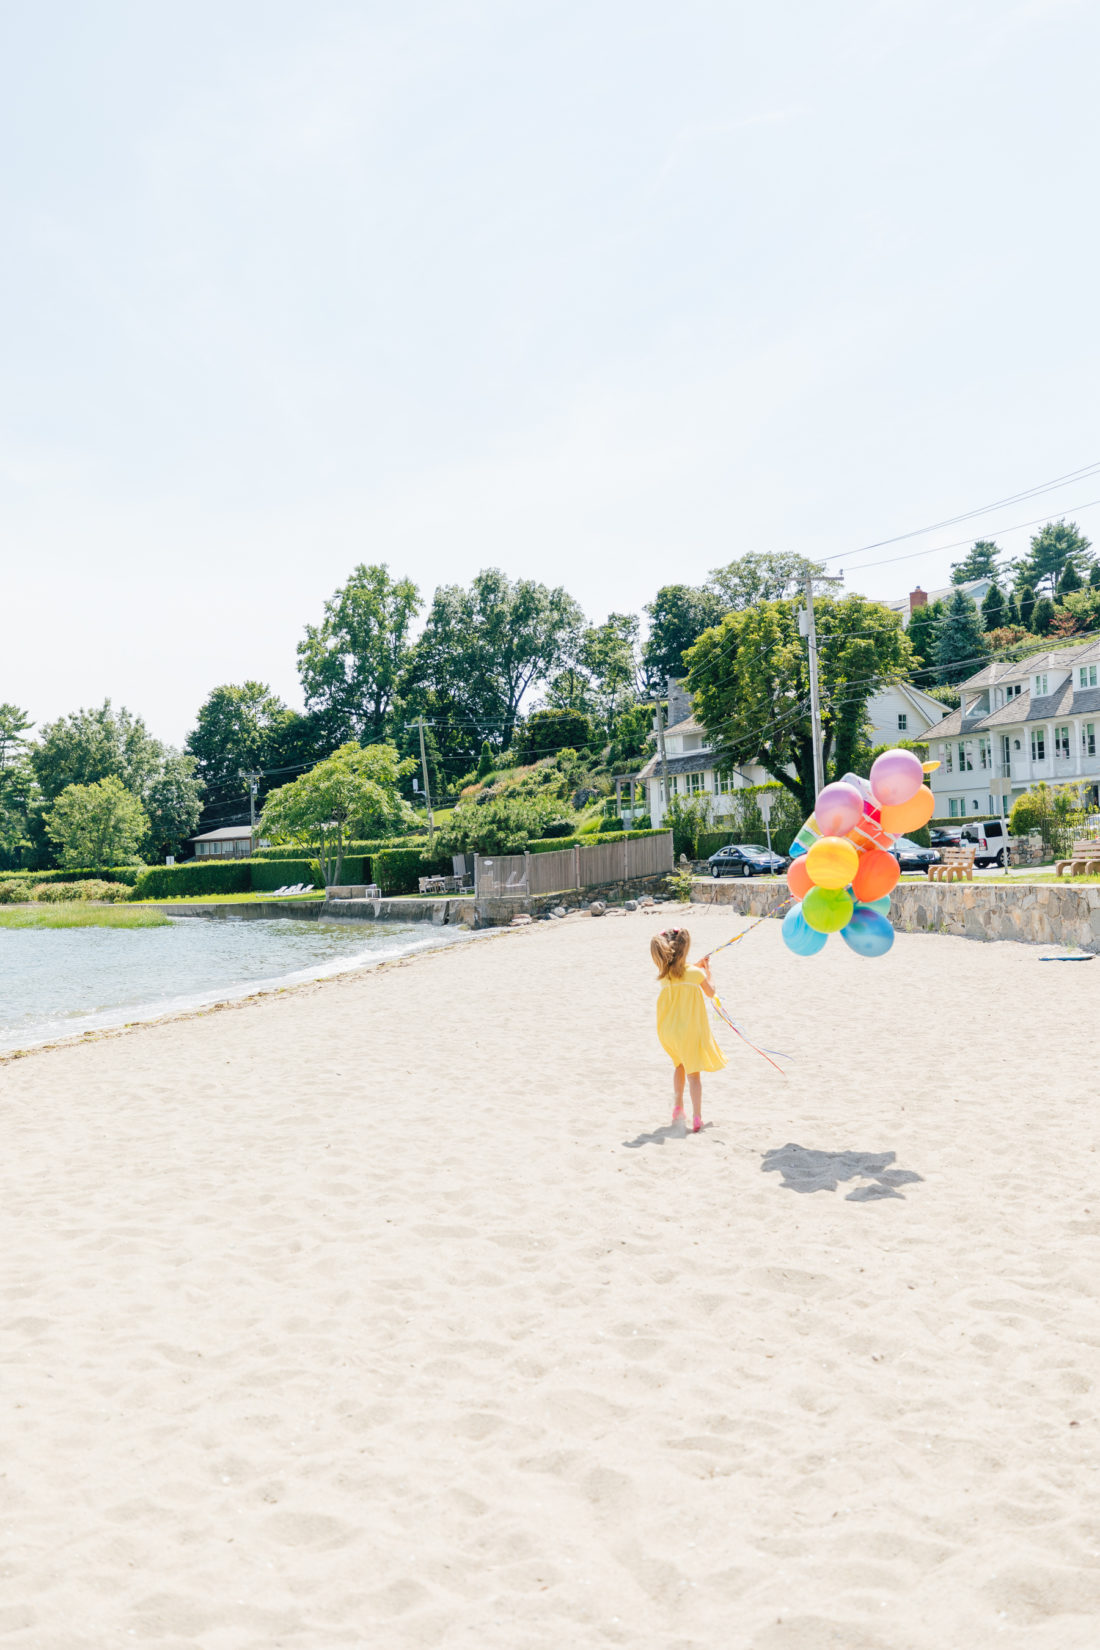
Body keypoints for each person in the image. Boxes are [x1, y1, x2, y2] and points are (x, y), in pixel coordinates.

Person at [650, 927, 727, 1133]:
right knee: (694, 1075)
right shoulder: (695, 973)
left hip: (668, 1031)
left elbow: (681, 974)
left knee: (679, 1066)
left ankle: (678, 1108)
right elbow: (711, 992)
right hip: (688, 1032)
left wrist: (697, 968)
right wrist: (707, 972)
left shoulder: (665, 976)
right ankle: (697, 1117)